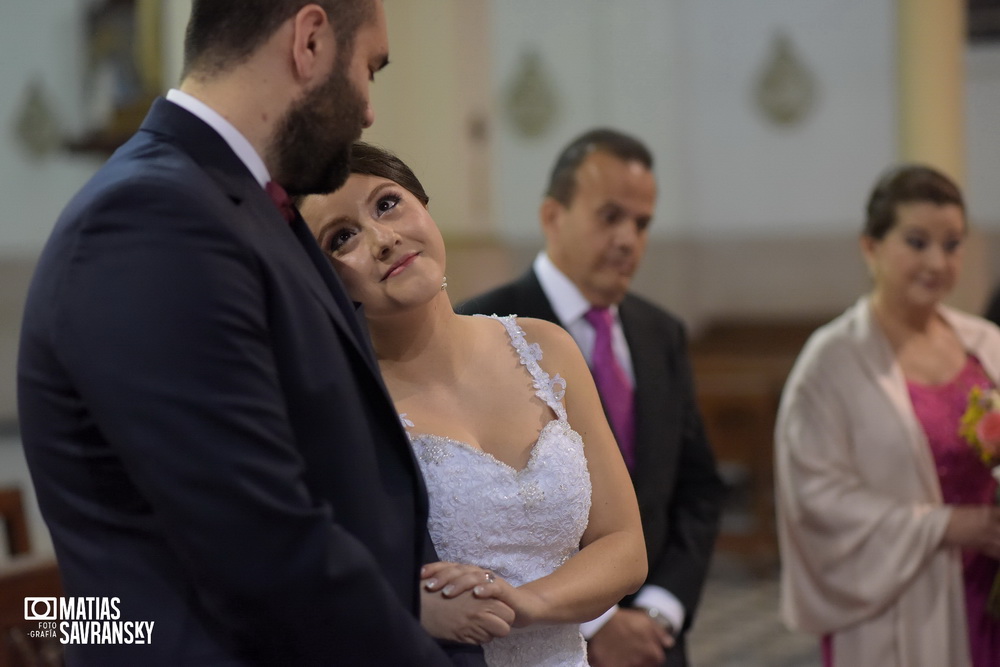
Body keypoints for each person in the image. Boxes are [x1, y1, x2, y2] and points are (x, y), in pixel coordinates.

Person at [17, 2, 510, 665]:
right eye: (369, 68)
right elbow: (261, 545)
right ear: (309, 41)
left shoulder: (244, 206)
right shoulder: (152, 216)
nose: (368, 110)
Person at [297, 142, 648, 666]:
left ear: (424, 205)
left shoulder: (543, 347)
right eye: (342, 237)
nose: (384, 239)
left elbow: (623, 545)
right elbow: (316, 582)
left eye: (387, 204)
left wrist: (527, 603)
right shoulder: (346, 402)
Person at [458, 128, 724, 667]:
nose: (628, 239)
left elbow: (696, 490)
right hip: (539, 633)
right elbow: (482, 516)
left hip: (656, 645)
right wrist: (598, 622)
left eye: (642, 223)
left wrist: (660, 611)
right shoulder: (482, 327)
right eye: (610, 217)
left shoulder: (660, 332)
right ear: (553, 216)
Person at [775, 164, 1000, 667]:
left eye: (953, 244)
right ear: (870, 247)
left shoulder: (987, 345)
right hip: (894, 601)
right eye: (917, 242)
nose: (937, 262)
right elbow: (815, 498)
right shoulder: (830, 363)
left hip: (989, 591)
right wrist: (944, 526)